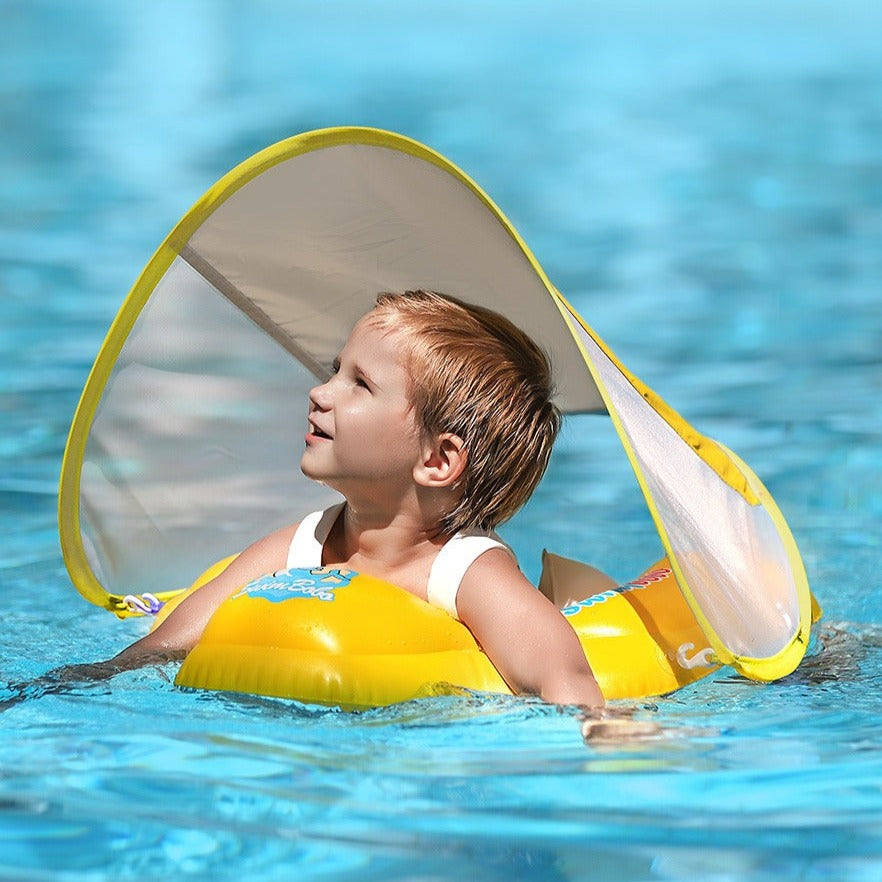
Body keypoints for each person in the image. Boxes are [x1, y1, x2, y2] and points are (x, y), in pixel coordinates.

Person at [60, 290, 605, 708]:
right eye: (333, 371)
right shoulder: (301, 547)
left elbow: (561, 678)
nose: (320, 393)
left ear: (437, 460)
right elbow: (163, 647)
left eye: (360, 384)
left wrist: (603, 736)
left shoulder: (466, 572)